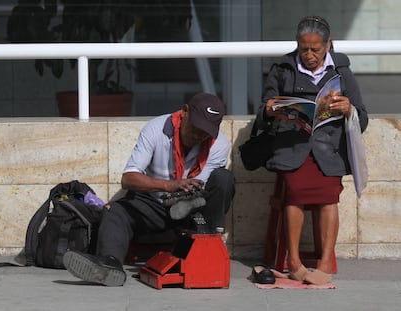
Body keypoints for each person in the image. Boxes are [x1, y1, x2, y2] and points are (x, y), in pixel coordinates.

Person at [63, 92, 235, 286]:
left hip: (193, 210)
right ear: (185, 111)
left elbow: (206, 188)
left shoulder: (219, 143)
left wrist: (188, 196)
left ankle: (209, 240)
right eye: (196, 127)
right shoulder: (156, 129)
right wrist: (169, 185)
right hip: (155, 202)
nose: (198, 135)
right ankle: (109, 264)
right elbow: (128, 178)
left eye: (205, 132)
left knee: (223, 179)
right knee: (115, 211)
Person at [257, 16, 368, 285]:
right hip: (291, 144)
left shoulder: (341, 72)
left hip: (328, 147)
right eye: (303, 48)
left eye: (315, 49)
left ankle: (325, 261)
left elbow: (362, 119)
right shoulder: (283, 68)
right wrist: (271, 109)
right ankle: (293, 262)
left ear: (328, 45)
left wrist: (348, 109)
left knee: (329, 197)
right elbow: (262, 113)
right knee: (294, 194)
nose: (309, 55)